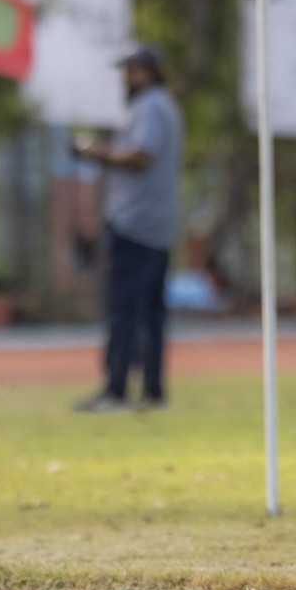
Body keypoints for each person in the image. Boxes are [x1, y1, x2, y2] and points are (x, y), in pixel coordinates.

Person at [72, 45, 185, 413]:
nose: (126, 77)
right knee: (152, 314)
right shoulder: (166, 106)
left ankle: (116, 391)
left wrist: (95, 152)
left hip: (134, 224)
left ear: (148, 71)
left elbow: (141, 155)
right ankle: (153, 391)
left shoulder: (150, 106)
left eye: (131, 70)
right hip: (159, 225)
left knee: (123, 311)